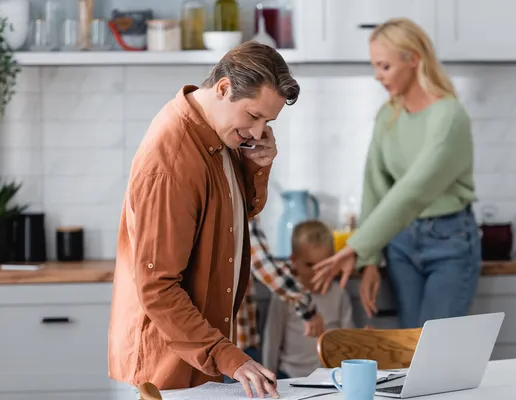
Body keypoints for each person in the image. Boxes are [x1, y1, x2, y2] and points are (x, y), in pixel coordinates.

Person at [108, 41, 300, 399]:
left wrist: (256, 166)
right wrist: (228, 357)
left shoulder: (216, 134)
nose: (258, 133)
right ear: (224, 88)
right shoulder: (174, 161)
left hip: (197, 358)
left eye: (268, 122)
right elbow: (158, 287)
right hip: (162, 371)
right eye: (253, 116)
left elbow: (228, 220)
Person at [311, 18, 481, 329]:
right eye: (375, 66)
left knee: (434, 348)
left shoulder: (449, 116)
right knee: (409, 349)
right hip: (399, 243)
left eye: (385, 66)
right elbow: (375, 186)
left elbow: (413, 190)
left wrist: (358, 245)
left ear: (414, 59)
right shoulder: (388, 116)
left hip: (449, 240)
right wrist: (371, 260)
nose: (378, 76)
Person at [263, 220, 354, 379]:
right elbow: (272, 341)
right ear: (293, 261)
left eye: (323, 265)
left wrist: (363, 339)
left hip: (331, 376)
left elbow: (349, 341)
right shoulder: (285, 296)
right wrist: (267, 379)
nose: (317, 273)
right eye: (310, 265)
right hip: (290, 375)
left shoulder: (339, 294)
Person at [234, 216, 325, 366]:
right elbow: (265, 266)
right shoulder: (239, 208)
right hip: (232, 347)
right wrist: (308, 309)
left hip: (229, 343)